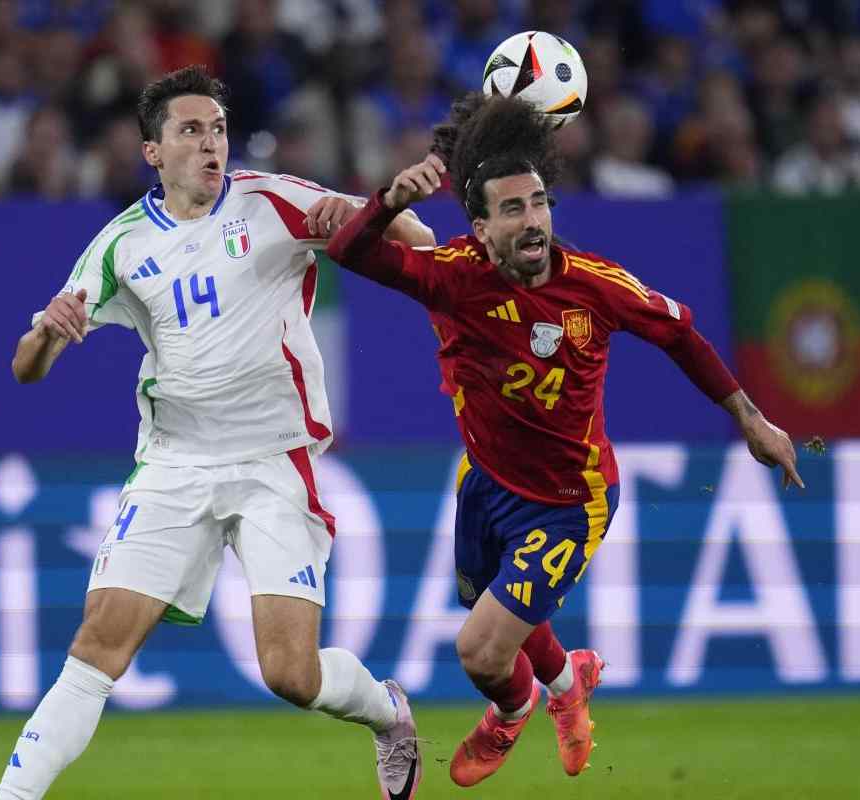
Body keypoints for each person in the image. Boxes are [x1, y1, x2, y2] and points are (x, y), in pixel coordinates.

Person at [327, 94, 803, 785]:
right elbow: (349, 251)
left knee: (483, 652)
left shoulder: (596, 289)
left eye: (539, 203)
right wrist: (387, 199)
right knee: (493, 611)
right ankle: (567, 684)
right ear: (481, 228)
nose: (532, 222)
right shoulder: (455, 278)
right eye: (512, 210)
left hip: (568, 501)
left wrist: (751, 418)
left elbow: (679, 334)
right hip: (487, 482)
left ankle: (512, 711)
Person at [0, 65, 434, 800]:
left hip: (272, 463)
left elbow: (412, 237)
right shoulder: (121, 245)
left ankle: (388, 712)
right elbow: (25, 367)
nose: (210, 144)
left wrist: (373, 219)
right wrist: (49, 332)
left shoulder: (275, 201)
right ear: (153, 153)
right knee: (97, 646)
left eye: (218, 129)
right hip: (175, 463)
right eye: (190, 131)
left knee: (291, 674)